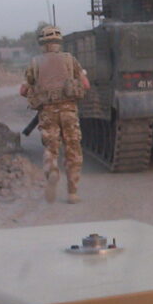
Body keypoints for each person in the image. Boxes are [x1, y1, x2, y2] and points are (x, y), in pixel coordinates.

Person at [20, 24, 89, 203]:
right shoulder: (70, 60)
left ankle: (51, 169)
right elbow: (86, 84)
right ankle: (72, 193)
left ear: (42, 43)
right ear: (59, 42)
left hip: (47, 113)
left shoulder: (35, 63)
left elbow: (23, 90)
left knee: (51, 148)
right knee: (73, 150)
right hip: (69, 112)